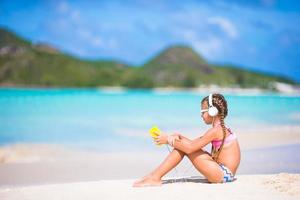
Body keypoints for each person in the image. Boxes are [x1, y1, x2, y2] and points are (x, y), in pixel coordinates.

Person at [133, 93, 241, 187]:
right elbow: (194, 143)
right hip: (223, 172)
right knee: (183, 146)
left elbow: (190, 148)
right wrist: (177, 136)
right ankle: (154, 176)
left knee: (183, 148)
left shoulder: (216, 131)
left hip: (222, 174)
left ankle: (155, 177)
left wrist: (168, 140)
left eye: (203, 112)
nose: (201, 115)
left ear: (213, 112)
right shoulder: (219, 129)